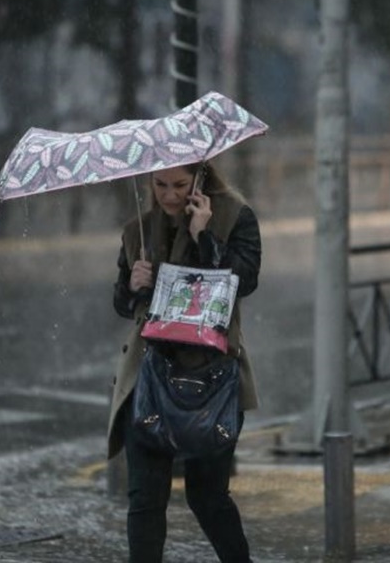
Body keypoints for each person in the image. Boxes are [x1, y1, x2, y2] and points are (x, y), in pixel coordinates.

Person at [107, 160, 262, 563]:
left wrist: (204, 236)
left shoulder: (234, 217)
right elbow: (124, 306)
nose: (170, 195)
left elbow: (243, 281)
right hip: (148, 377)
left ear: (200, 178)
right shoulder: (137, 230)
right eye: (159, 185)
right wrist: (131, 285)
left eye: (179, 184)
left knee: (207, 497)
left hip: (209, 379)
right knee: (145, 498)